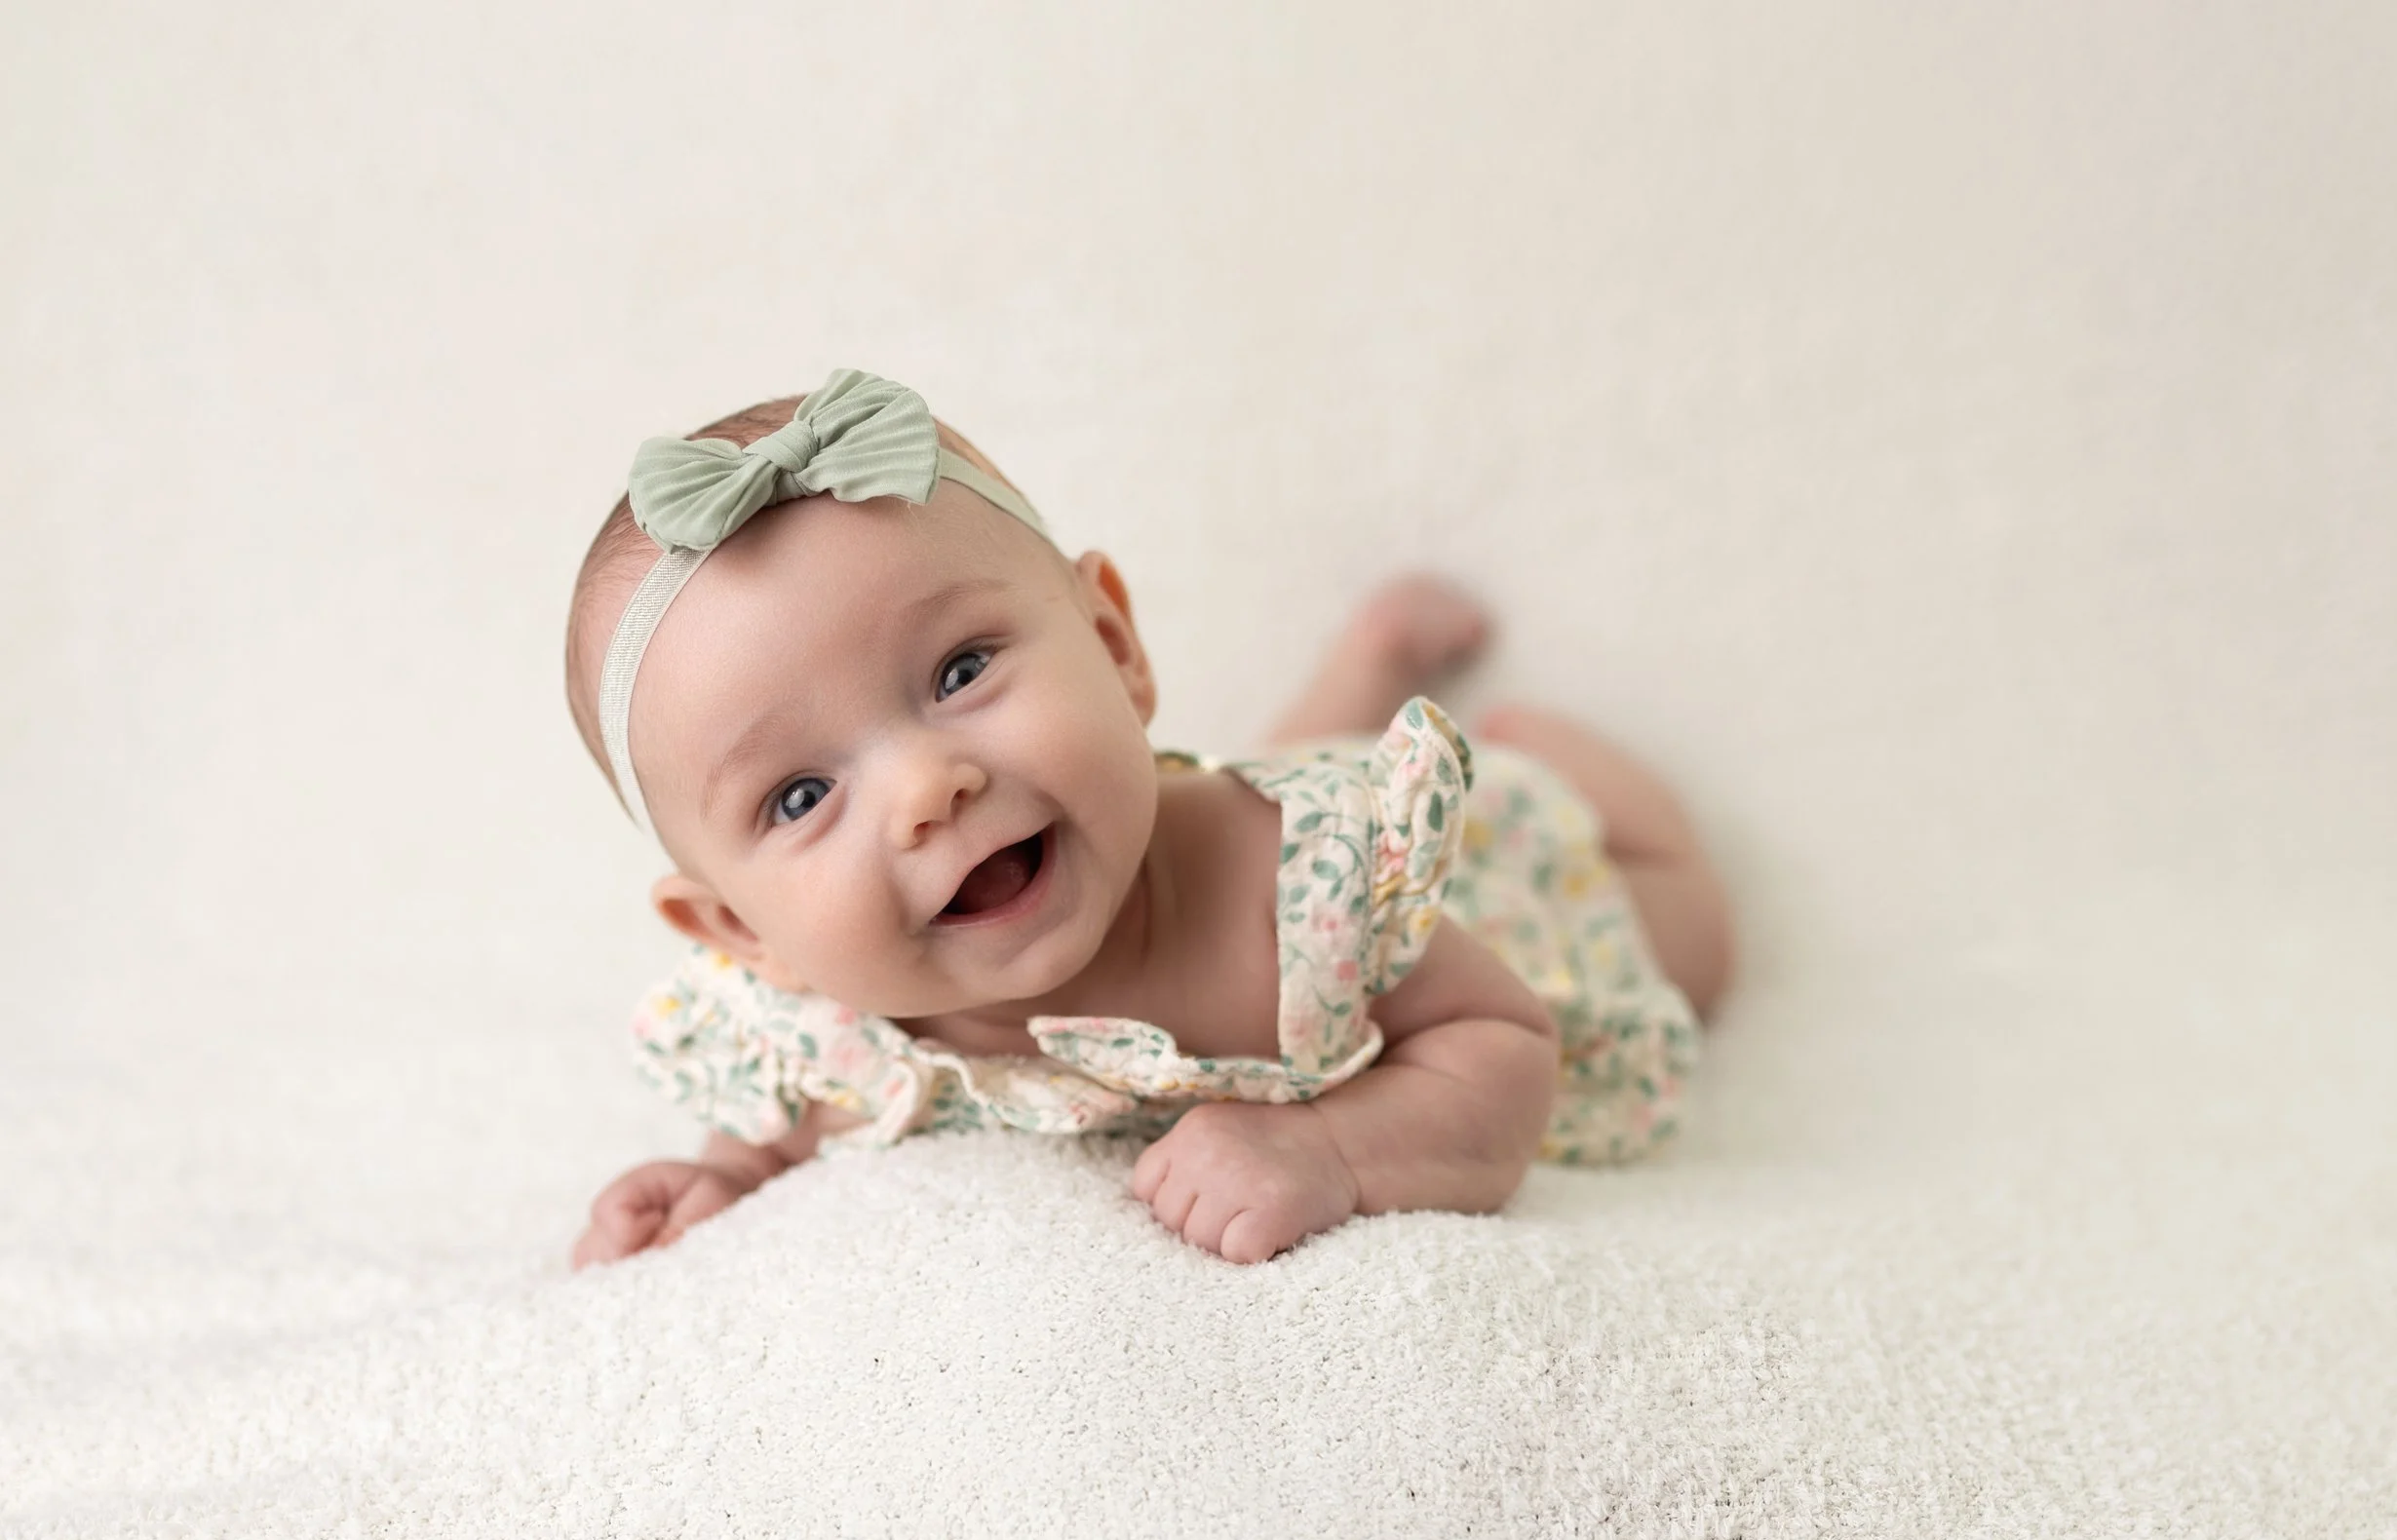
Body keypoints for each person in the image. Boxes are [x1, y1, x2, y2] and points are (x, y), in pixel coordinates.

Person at [564, 370, 1733, 1269]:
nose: (928, 788)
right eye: (801, 796)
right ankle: (1363, 663)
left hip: (1499, 881)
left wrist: (1330, 1149)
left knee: (1686, 949)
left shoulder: (1300, 886)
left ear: (1114, 647)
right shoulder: (814, 1018)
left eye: (960, 671)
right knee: (1221, 771)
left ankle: (1599, 790)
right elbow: (797, 1120)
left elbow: (1505, 1046)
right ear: (739, 930)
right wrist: (721, 1178)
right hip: (1209, 798)